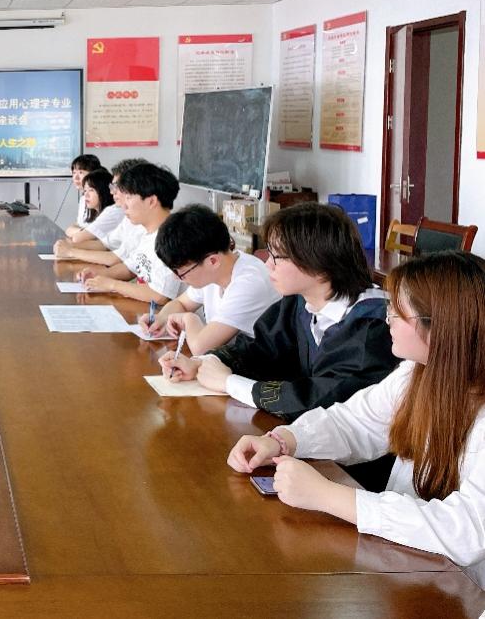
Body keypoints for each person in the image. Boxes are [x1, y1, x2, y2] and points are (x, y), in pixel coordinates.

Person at [226, 251, 485, 586]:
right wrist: (283, 440)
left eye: (398, 312)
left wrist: (329, 496)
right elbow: (356, 421)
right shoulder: (417, 374)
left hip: (464, 589)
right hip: (410, 564)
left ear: (441, 328)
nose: (387, 319)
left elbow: (467, 531)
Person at [161, 202, 398, 421]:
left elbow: (322, 399)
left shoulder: (373, 326)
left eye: (277, 257)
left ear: (318, 263)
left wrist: (228, 382)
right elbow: (259, 348)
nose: (268, 264)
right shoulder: (299, 302)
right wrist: (201, 363)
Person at [141, 204, 279, 353]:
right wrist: (161, 318)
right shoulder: (216, 269)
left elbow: (201, 347)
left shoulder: (249, 283)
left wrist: (190, 319)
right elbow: (181, 303)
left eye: (181, 273)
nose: (177, 278)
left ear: (212, 261)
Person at [78, 162, 183, 304]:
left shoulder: (173, 238)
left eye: (128, 197)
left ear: (151, 201)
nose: (124, 205)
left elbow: (159, 296)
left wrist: (112, 285)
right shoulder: (147, 233)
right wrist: (102, 274)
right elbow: (131, 268)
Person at [54, 157, 148, 264]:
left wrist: (71, 251)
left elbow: (115, 258)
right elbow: (105, 244)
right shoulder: (128, 218)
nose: (112, 192)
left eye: (117, 186)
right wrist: (70, 246)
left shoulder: (117, 212)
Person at [64, 153, 102, 235]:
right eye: (74, 173)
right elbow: (76, 225)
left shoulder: (102, 198)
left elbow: (97, 235)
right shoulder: (83, 199)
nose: (76, 178)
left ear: (93, 174)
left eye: (81, 172)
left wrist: (82, 233)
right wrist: (82, 232)